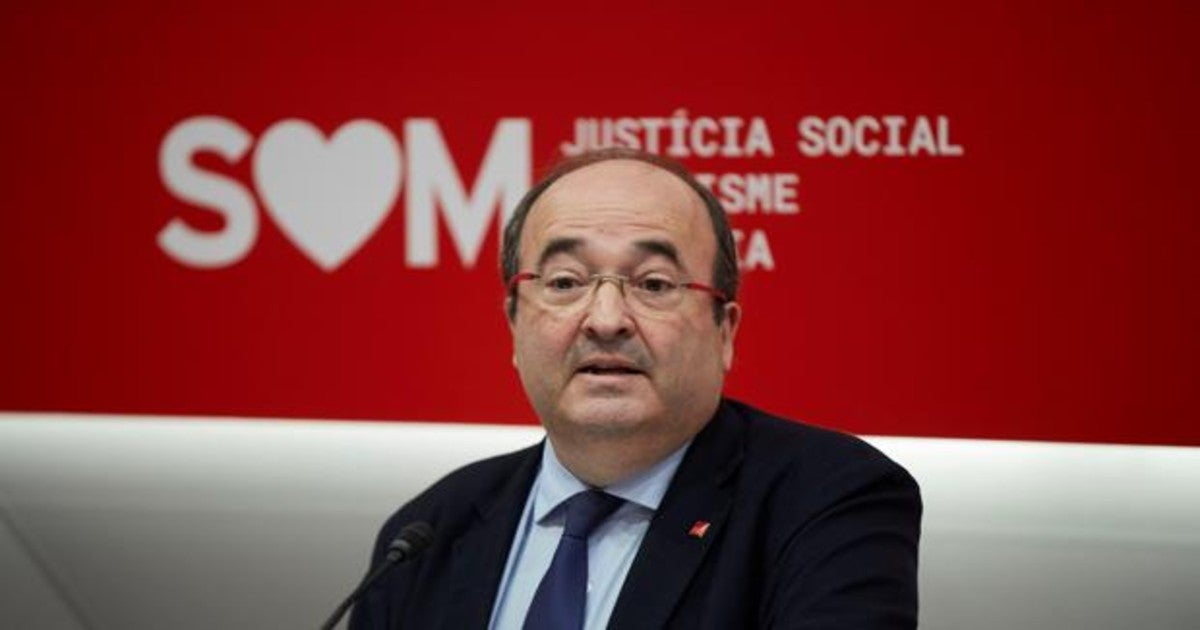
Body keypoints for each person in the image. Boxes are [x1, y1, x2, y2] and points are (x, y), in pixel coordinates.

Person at [350, 148, 921, 629]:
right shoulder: (429, 531)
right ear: (514, 326)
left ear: (724, 332)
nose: (605, 319)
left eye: (653, 284)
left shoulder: (829, 501)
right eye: (565, 282)